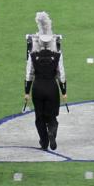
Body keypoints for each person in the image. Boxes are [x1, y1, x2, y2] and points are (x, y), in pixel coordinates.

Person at [25, 11, 66, 150]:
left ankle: (44, 142)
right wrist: (64, 90)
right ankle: (52, 132)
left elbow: (29, 73)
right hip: (52, 87)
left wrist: (26, 91)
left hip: (37, 87)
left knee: (39, 117)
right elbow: (62, 74)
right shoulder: (57, 55)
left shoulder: (33, 55)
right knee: (52, 116)